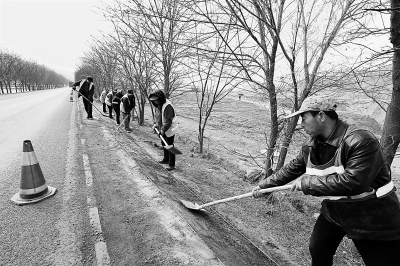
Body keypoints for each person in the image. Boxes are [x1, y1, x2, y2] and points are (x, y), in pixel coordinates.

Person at [252, 96, 400, 266]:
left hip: (372, 216)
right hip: (336, 210)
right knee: (318, 248)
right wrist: (264, 186)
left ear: (321, 116)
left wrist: (307, 184)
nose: (301, 124)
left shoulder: (360, 140)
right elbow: (293, 167)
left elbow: (353, 182)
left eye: (304, 117)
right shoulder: (312, 145)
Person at [149, 90, 178, 171]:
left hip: (170, 128)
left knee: (170, 146)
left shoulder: (167, 106)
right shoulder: (159, 105)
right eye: (153, 100)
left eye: (156, 100)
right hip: (162, 128)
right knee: (164, 143)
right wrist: (156, 124)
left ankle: (172, 165)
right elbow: (158, 117)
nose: (155, 101)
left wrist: (162, 129)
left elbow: (168, 121)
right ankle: (166, 159)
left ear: (160, 98)